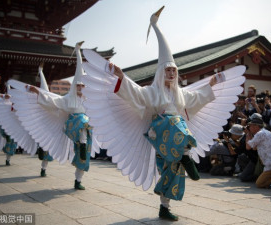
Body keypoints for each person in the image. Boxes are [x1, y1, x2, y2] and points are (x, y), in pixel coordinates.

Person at [81, 6, 246, 221]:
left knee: (173, 170)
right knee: (175, 124)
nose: (171, 73)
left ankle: (164, 204)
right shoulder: (152, 92)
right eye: (167, 69)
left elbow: (198, 98)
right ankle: (186, 155)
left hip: (174, 137)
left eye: (174, 70)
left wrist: (212, 84)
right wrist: (122, 76)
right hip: (160, 134)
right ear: (161, 72)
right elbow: (135, 93)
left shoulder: (182, 94)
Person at [22, 42, 96, 190]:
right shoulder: (67, 99)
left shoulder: (89, 100)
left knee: (84, 156)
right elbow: (51, 99)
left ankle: (78, 179)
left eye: (83, 86)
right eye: (78, 85)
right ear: (75, 86)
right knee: (82, 121)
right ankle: (77, 144)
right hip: (73, 125)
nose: (81, 87)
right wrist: (77, 51)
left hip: (86, 128)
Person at [246, 117, 271, 188]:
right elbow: (254, 148)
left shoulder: (260, 133)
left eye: (250, 126)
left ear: (256, 126)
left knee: (260, 183)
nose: (249, 128)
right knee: (261, 181)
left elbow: (248, 147)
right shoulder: (264, 132)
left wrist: (247, 135)